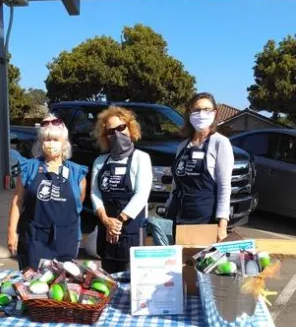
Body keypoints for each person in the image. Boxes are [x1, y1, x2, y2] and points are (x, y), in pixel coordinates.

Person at [148, 92, 234, 244]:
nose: (201, 114)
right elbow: (176, 184)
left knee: (195, 262)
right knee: (174, 262)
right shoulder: (182, 146)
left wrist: (222, 224)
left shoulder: (220, 143)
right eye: (196, 110)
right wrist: (167, 208)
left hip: (203, 217)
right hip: (176, 214)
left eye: (207, 110)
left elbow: (224, 186)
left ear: (215, 113)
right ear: (189, 114)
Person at [8, 113, 88, 269]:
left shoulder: (77, 172)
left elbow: (79, 202)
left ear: (64, 143)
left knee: (62, 288)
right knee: (33, 286)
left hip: (66, 240)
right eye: (47, 140)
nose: (51, 144)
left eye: (55, 140)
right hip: (34, 239)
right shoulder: (28, 168)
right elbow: (18, 200)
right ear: (40, 142)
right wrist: (11, 232)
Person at [91, 106, 153, 273]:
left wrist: (118, 222)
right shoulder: (100, 161)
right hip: (106, 230)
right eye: (111, 131)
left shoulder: (141, 158)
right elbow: (95, 193)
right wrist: (106, 220)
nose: (117, 134)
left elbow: (142, 194)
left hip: (130, 230)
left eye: (121, 128)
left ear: (130, 127)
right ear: (105, 136)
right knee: (107, 281)